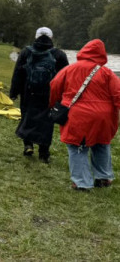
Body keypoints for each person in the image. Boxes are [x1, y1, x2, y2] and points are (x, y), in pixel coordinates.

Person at [50, 39, 120, 190]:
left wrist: (53, 104)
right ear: (102, 54)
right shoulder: (107, 73)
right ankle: (103, 177)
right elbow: (118, 94)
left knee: (77, 147)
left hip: (78, 116)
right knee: (101, 144)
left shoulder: (70, 69)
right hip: (103, 117)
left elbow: (54, 86)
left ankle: (82, 183)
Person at [10, 27, 69, 163]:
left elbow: (18, 73)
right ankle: (44, 152)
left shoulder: (26, 52)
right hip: (49, 94)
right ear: (51, 38)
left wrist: (14, 92)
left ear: (36, 37)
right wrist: (64, 96)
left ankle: (28, 145)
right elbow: (65, 77)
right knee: (46, 122)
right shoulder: (59, 54)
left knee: (27, 117)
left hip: (28, 92)